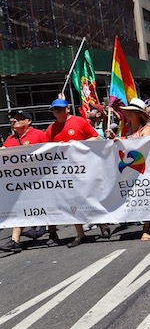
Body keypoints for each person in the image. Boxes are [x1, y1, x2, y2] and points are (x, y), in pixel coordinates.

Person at [45, 98, 105, 247]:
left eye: (60, 108)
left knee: (90, 197)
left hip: (84, 168)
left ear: (67, 109)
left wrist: (78, 144)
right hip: (64, 172)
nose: (57, 112)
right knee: (72, 202)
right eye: (54, 109)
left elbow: (96, 138)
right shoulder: (50, 129)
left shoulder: (79, 122)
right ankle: (80, 233)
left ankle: (102, 222)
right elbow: (46, 150)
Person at [0, 110, 49, 254]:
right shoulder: (11, 139)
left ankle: (50, 231)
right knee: (19, 208)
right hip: (20, 183)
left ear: (29, 121)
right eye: (13, 119)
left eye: (19, 119)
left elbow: (51, 153)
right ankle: (15, 240)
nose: (14, 121)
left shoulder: (39, 135)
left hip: (40, 180)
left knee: (49, 206)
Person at [119, 98, 150, 241]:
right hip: (128, 168)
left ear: (139, 115)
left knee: (146, 196)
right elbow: (121, 145)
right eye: (128, 112)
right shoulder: (126, 128)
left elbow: (145, 147)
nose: (128, 115)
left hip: (144, 168)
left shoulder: (146, 129)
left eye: (132, 113)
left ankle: (146, 229)